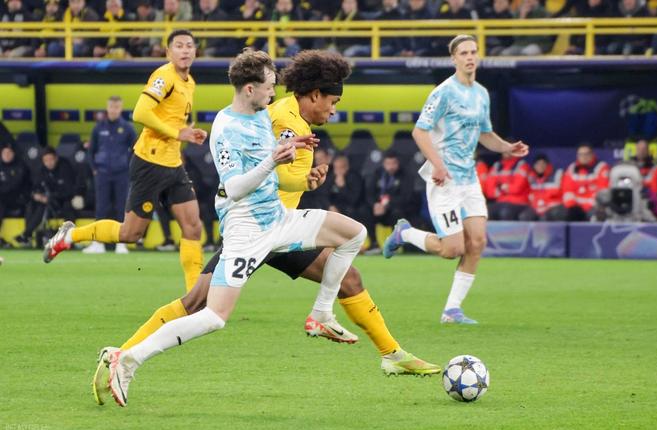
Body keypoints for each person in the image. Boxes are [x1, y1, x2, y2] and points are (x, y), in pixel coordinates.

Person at [92, 49, 441, 405]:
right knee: (208, 311)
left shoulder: (266, 115)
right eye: (333, 102)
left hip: (278, 222)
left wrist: (300, 174)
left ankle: (366, 340)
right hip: (250, 231)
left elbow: (275, 169)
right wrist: (278, 159)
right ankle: (125, 356)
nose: (333, 110)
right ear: (313, 95)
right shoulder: (254, 122)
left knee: (353, 242)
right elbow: (239, 183)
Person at [44, 30, 208, 293]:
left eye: (190, 45)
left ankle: (194, 297)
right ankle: (71, 235)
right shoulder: (163, 76)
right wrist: (177, 133)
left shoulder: (189, 82)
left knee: (192, 227)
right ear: (168, 52)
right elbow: (140, 112)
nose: (185, 50)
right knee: (130, 234)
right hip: (150, 164)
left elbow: (170, 119)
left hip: (173, 164)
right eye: (179, 46)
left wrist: (187, 132)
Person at [382, 35, 529, 324]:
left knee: (477, 241)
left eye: (473, 52)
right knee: (452, 249)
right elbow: (419, 132)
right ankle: (405, 234)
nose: (470, 57)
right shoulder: (443, 92)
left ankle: (452, 310)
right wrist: (438, 165)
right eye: (464, 53)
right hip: (444, 180)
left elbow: (485, 133)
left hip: (468, 179)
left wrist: (507, 147)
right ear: (454, 59)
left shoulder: (481, 94)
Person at [83, 96, 136, 254]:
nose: (113, 110)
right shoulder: (98, 128)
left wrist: (130, 169)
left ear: (121, 108)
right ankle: (98, 243)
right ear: (107, 108)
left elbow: (136, 150)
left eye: (116, 107)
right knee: (101, 207)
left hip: (122, 174)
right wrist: (94, 169)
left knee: (122, 207)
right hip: (102, 173)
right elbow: (91, 151)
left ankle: (121, 243)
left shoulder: (127, 128)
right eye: (111, 107)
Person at [14, 148, 77, 247]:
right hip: (47, 201)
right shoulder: (41, 171)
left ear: (56, 158)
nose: (49, 163)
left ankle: (68, 238)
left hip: (64, 200)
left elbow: (69, 190)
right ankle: (27, 235)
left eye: (51, 159)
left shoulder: (65, 168)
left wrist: (50, 197)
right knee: (33, 205)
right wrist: (36, 195)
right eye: (46, 160)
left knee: (67, 207)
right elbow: (36, 187)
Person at [365, 150, 415, 253]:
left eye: (393, 163)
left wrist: (387, 205)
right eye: (388, 163)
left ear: (398, 163)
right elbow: (369, 193)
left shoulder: (406, 175)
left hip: (395, 209)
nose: (391, 166)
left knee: (397, 213)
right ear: (384, 163)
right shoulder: (377, 173)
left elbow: (406, 197)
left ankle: (395, 244)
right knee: (364, 211)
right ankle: (374, 244)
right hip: (378, 209)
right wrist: (375, 205)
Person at [562, 143, 609, 221]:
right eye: (581, 154)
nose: (584, 157)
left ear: (592, 154)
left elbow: (603, 190)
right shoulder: (571, 168)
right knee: (566, 213)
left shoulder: (601, 167)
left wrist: (587, 207)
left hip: (594, 207)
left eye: (587, 154)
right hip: (575, 209)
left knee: (599, 214)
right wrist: (573, 207)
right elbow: (567, 191)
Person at [485, 152, 535, 220]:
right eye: (504, 149)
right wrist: (505, 188)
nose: (506, 151)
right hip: (501, 202)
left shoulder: (521, 165)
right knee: (483, 212)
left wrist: (500, 187)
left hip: (519, 203)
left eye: (509, 149)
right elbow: (489, 192)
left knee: (505, 211)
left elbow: (516, 188)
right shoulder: (497, 166)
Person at [0, 144, 30, 248]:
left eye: (9, 153)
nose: (7, 155)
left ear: (13, 154)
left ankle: (26, 236)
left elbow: (15, 185)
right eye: (4, 153)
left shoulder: (20, 166)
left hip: (18, 199)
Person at [526, 154, 566, 221]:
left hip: (554, 207)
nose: (540, 166)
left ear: (547, 165)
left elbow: (562, 194)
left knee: (544, 218)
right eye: (537, 164)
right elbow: (531, 196)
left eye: (543, 163)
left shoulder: (557, 175)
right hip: (537, 208)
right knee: (525, 216)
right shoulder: (531, 178)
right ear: (534, 166)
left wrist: (546, 206)